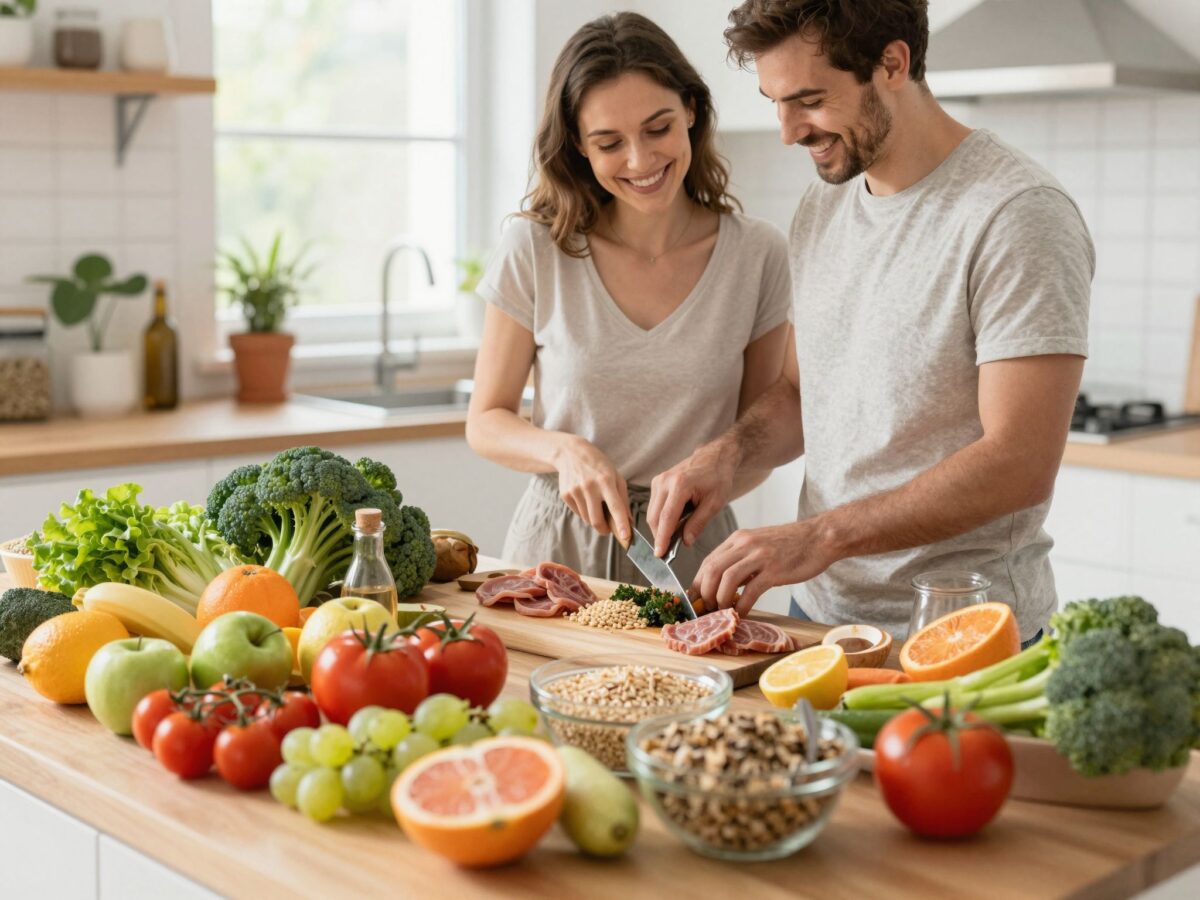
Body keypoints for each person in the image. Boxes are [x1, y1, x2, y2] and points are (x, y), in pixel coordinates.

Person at [647, 0, 1093, 644]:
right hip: (821, 618)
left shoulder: (1017, 214)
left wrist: (821, 536)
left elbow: (1019, 461)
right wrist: (727, 455)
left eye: (809, 100)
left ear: (893, 63)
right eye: (775, 101)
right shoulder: (824, 203)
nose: (788, 130)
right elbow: (805, 392)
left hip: (964, 633)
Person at [466, 11, 792, 586]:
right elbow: (485, 420)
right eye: (609, 142)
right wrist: (564, 452)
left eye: (658, 128)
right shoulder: (537, 247)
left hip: (695, 556)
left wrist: (698, 487)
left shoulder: (758, 255)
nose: (640, 161)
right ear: (578, 147)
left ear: (691, 110)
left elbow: (760, 436)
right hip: (555, 548)